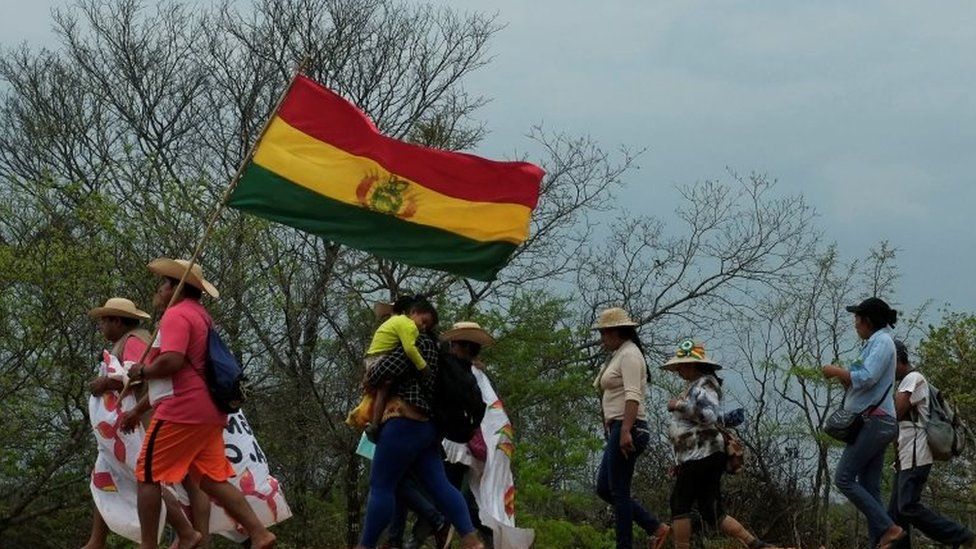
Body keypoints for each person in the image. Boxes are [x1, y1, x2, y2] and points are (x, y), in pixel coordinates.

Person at [125, 258, 276, 549]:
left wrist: (142, 371)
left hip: (183, 410)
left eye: (163, 284)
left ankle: (149, 546)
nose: (159, 290)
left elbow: (173, 361)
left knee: (146, 475)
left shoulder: (176, 316)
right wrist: (138, 407)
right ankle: (259, 533)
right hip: (210, 411)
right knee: (210, 479)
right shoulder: (202, 315)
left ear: (175, 287)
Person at [355, 299, 484, 549]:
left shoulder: (415, 342)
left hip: (403, 422)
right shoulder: (439, 350)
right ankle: (470, 540)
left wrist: (370, 376)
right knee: (439, 484)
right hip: (428, 428)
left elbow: (383, 372)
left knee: (381, 486)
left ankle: (365, 546)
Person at [84, 297, 200, 549]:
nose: (102, 326)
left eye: (105, 320)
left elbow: (140, 377)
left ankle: (185, 531)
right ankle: (96, 540)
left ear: (117, 321)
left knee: (145, 477)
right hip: (126, 427)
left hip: (138, 423)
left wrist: (106, 383)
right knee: (105, 473)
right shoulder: (129, 341)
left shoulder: (134, 341)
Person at [662, 339, 776, 549]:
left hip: (700, 454)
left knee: (680, 503)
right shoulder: (698, 386)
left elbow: (707, 415)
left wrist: (677, 404)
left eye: (682, 365)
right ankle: (756, 544)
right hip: (703, 454)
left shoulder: (704, 384)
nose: (678, 370)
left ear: (692, 365)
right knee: (710, 509)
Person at [440, 321, 535, 549]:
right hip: (490, 439)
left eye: (454, 344)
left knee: (450, 494)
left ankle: (485, 534)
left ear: (460, 347)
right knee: (467, 494)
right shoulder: (478, 374)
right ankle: (487, 535)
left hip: (466, 441)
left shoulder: (465, 373)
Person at [823, 297, 904, 548]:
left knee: (844, 478)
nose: (855, 324)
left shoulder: (882, 342)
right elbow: (858, 381)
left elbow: (866, 378)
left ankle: (890, 529)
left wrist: (836, 371)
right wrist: (843, 377)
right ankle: (879, 542)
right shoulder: (873, 344)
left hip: (874, 422)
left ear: (867, 320)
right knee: (869, 487)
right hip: (876, 422)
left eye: (857, 319)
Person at [591, 307, 669, 549]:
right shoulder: (618, 354)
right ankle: (654, 526)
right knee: (606, 487)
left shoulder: (631, 355)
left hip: (630, 427)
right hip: (618, 426)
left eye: (604, 333)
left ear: (615, 332)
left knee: (619, 491)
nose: (602, 339)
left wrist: (625, 429)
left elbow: (633, 396)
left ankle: (625, 545)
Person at [888, 340, 975, 548]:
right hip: (905, 457)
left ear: (898, 360)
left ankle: (962, 536)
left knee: (907, 505)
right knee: (896, 515)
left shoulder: (913, 378)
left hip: (916, 455)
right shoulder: (908, 380)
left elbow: (896, 412)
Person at [347, 295, 434, 438]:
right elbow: (409, 349)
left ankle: (371, 422)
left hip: (373, 357)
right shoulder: (407, 324)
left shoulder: (400, 323)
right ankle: (375, 424)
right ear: (412, 313)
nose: (423, 327)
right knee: (383, 389)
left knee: (378, 391)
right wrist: (423, 366)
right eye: (423, 322)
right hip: (379, 357)